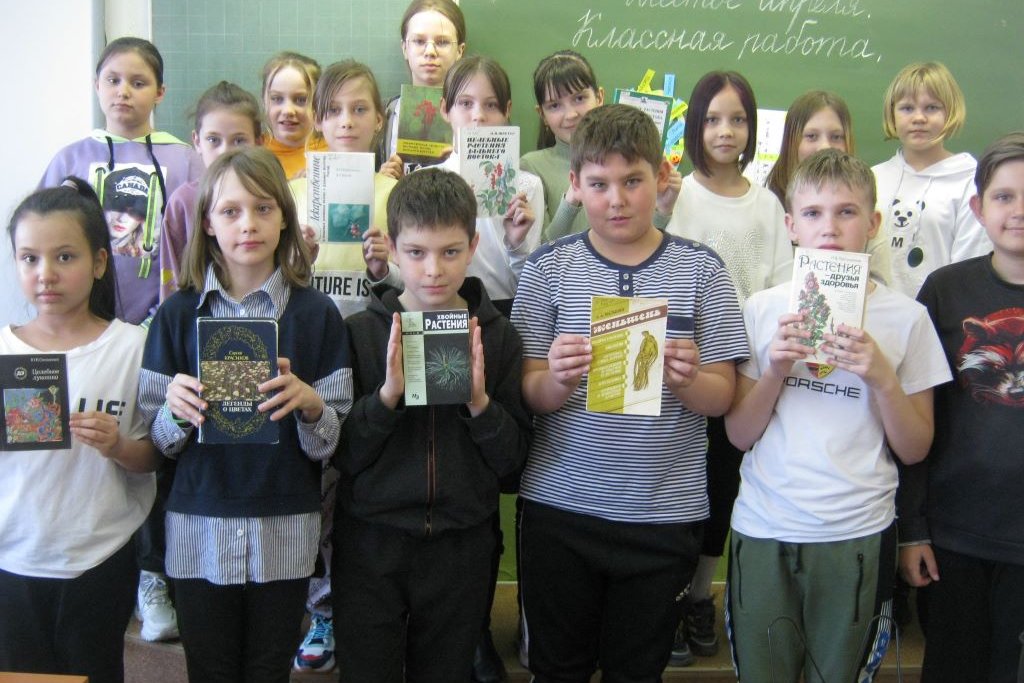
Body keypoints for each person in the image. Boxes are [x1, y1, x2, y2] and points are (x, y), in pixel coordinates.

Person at [511, 104, 748, 682]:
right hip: (560, 511)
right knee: (557, 669)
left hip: (663, 515)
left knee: (637, 671)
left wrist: (690, 379)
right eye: (598, 184)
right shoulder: (548, 269)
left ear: (661, 176)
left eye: (632, 181)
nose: (616, 200)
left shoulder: (702, 270)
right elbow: (528, 391)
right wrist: (556, 378)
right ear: (575, 184)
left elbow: (722, 397)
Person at [724, 148, 952, 683]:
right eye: (813, 213)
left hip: (857, 529)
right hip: (765, 524)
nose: (829, 227)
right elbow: (738, 434)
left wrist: (882, 378)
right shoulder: (763, 308)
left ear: (872, 223)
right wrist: (776, 368)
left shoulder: (908, 318)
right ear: (791, 226)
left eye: (847, 212)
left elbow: (915, 447)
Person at [138, 146, 352, 683]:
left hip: (285, 526)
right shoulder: (177, 315)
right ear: (208, 223)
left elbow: (332, 444)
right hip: (198, 527)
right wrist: (176, 411)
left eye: (263, 208)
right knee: (209, 668)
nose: (248, 224)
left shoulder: (317, 314)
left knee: (267, 669)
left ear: (284, 219)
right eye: (230, 211)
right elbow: (158, 442)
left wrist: (311, 405)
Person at [331, 167, 531, 682]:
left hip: (462, 546)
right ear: (394, 250)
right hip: (372, 543)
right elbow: (342, 455)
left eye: (450, 251)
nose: (434, 270)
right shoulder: (361, 334)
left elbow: (512, 466)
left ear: (473, 246)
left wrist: (481, 405)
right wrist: (385, 400)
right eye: (417, 252)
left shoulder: (498, 337)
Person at [657, 69, 792, 666]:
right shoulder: (676, 193)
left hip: (745, 371)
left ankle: (698, 594)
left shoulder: (768, 204)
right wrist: (662, 211)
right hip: (682, 367)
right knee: (675, 482)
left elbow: (782, 285)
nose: (725, 130)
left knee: (722, 484)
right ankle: (665, 596)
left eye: (738, 119)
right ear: (693, 126)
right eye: (712, 119)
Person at [0, 179, 159, 683]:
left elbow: (155, 455)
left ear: (99, 263)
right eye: (29, 259)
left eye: (64, 257)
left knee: (94, 671)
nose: (45, 274)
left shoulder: (132, 347)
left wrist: (117, 445)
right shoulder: (5, 350)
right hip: (14, 554)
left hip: (100, 552)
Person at [287, 59, 400, 674]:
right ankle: (322, 607)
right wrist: (297, 260)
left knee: (368, 487)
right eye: (333, 111)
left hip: (375, 356)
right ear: (317, 120)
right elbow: (274, 286)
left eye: (360, 110)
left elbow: (416, 281)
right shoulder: (295, 189)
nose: (347, 122)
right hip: (314, 358)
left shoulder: (393, 193)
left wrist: (384, 267)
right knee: (321, 490)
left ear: (380, 119)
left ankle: (371, 607)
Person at [898, 131, 1024, 683]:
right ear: (978, 208)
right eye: (1004, 196)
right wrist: (912, 529)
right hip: (954, 537)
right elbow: (922, 417)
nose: (1019, 211)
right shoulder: (946, 291)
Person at [39, 35, 203, 325]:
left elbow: (200, 244)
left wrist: (161, 319)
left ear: (160, 92)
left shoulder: (186, 161)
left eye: (138, 83)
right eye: (113, 80)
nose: (123, 91)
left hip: (165, 320)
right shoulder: (70, 161)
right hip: (80, 322)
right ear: (97, 85)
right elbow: (43, 238)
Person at [869, 61, 991, 298]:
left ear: (950, 112)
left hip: (940, 312)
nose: (919, 118)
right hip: (877, 312)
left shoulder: (970, 180)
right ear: (892, 114)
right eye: (907, 108)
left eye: (932, 108)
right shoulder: (872, 178)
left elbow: (969, 266)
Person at [437, 55, 543, 316]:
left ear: (507, 110)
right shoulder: (428, 181)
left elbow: (531, 286)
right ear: (445, 109)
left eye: (491, 105)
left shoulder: (527, 186)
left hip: (506, 311)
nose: (478, 116)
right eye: (465, 103)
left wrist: (516, 244)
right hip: (444, 309)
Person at [161, 81, 262, 300]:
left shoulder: (267, 198)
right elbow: (170, 276)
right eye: (213, 140)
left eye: (239, 140)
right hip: (195, 314)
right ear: (197, 141)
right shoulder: (183, 201)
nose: (225, 151)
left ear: (258, 142)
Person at [379, 0, 466, 177]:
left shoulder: (476, 115)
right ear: (405, 48)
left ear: (459, 50)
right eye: (419, 41)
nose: (430, 51)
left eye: (442, 42)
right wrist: (382, 179)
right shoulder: (383, 115)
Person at [765, 90, 855, 208]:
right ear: (791, 143)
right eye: (811, 136)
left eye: (836, 137)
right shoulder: (769, 207)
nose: (825, 147)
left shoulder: (861, 202)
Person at [260, 51, 327, 180]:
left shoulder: (334, 155)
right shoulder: (252, 154)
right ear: (264, 101)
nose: (288, 110)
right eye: (277, 99)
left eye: (301, 100)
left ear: (319, 103)